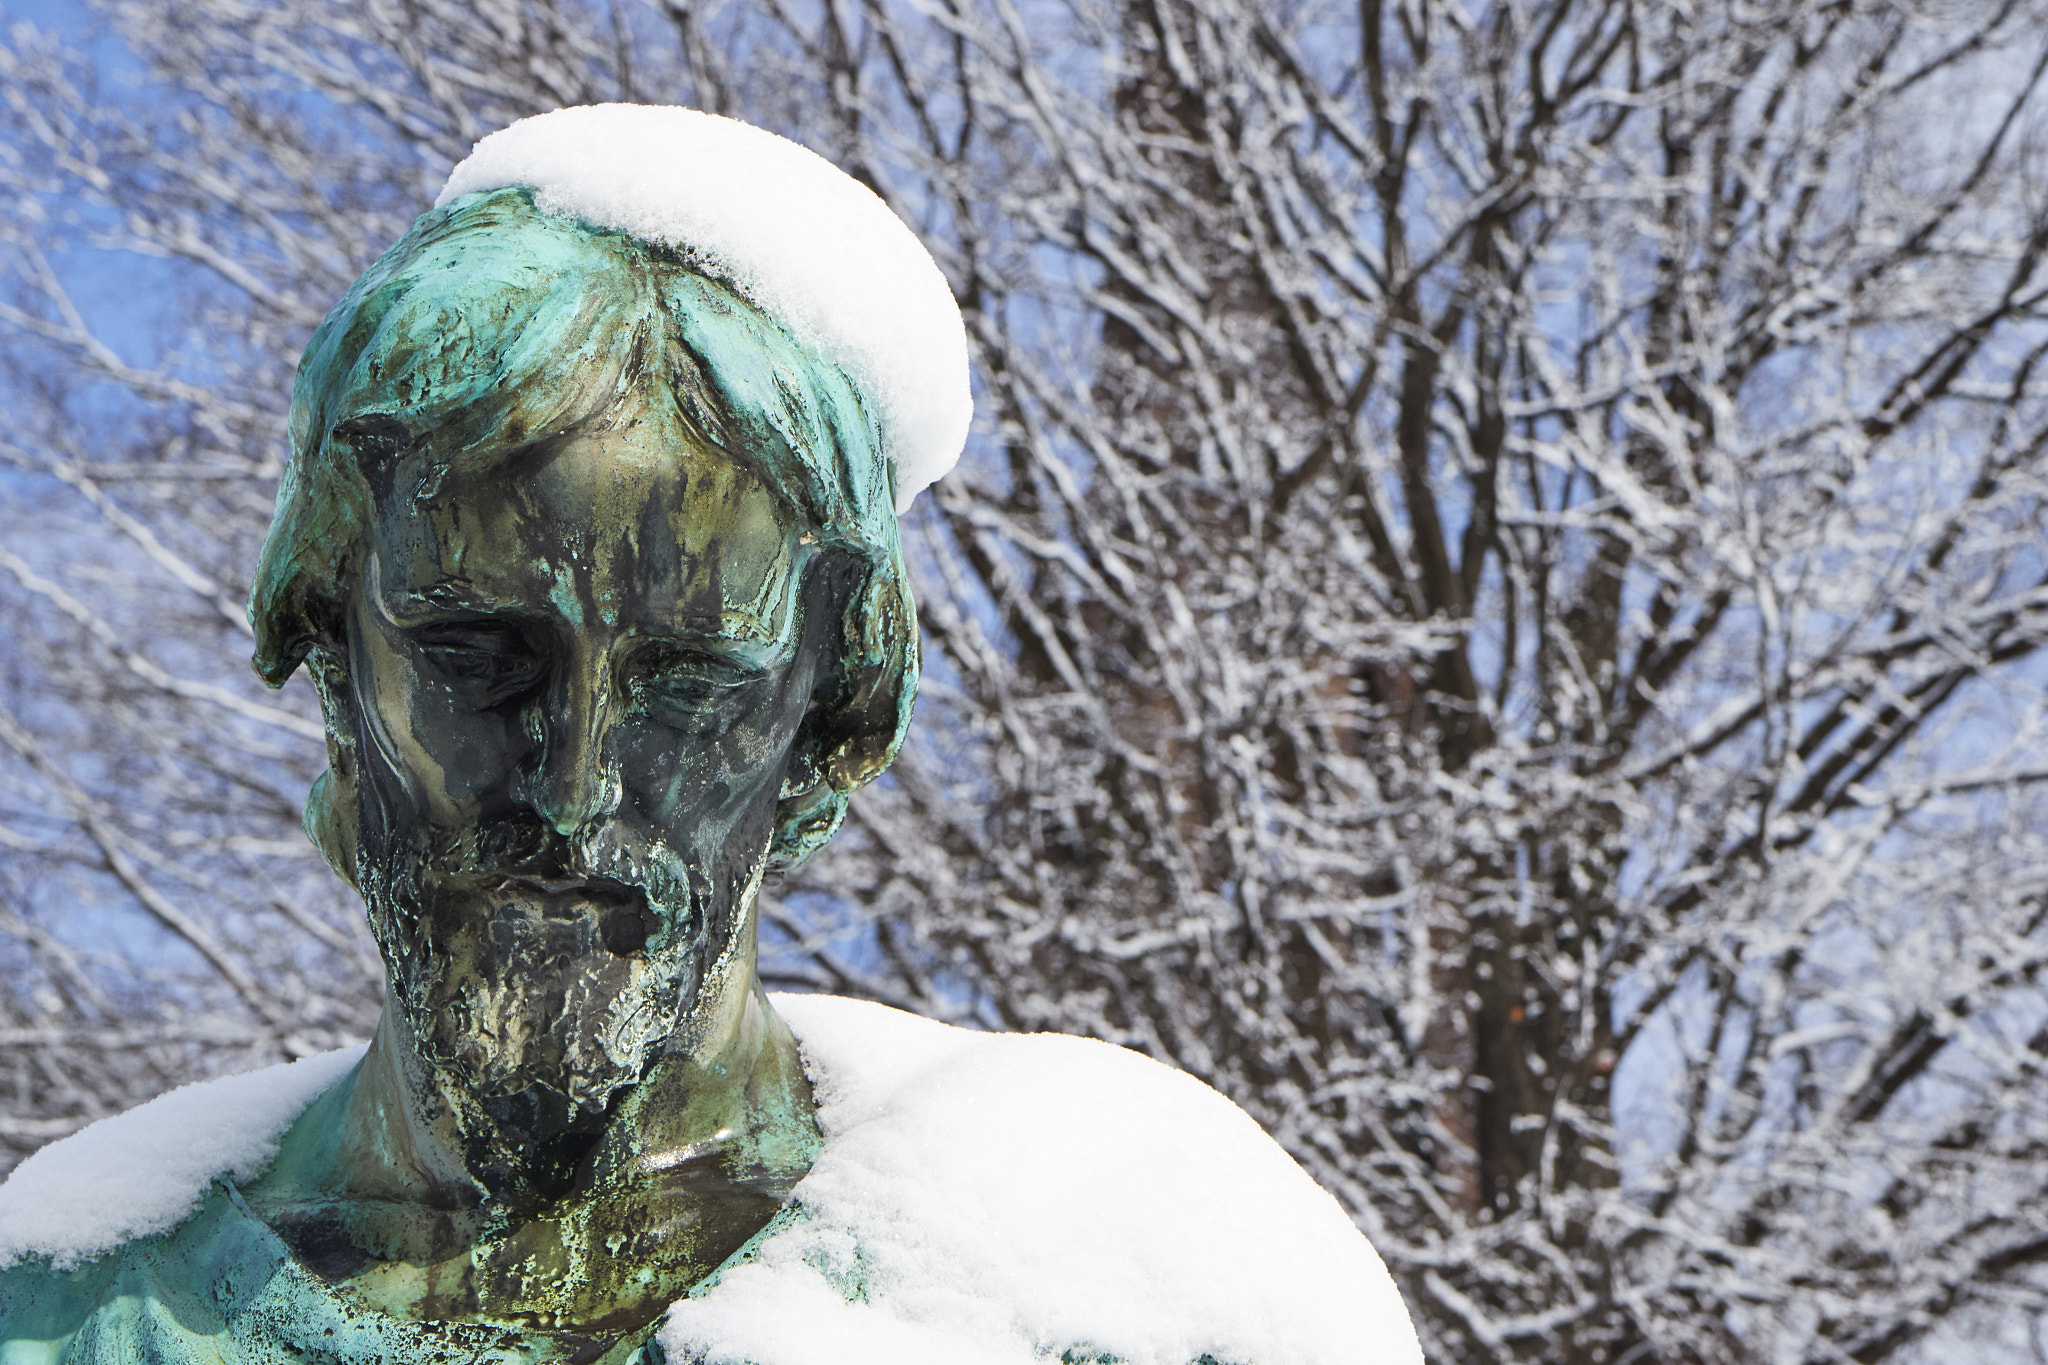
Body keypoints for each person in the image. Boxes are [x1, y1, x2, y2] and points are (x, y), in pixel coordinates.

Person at [0, 107, 1420, 1365]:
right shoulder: (67, 1310)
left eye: (688, 681)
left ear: (829, 730)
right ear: (329, 655)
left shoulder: (1120, 1297)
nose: (574, 787)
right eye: (474, 653)